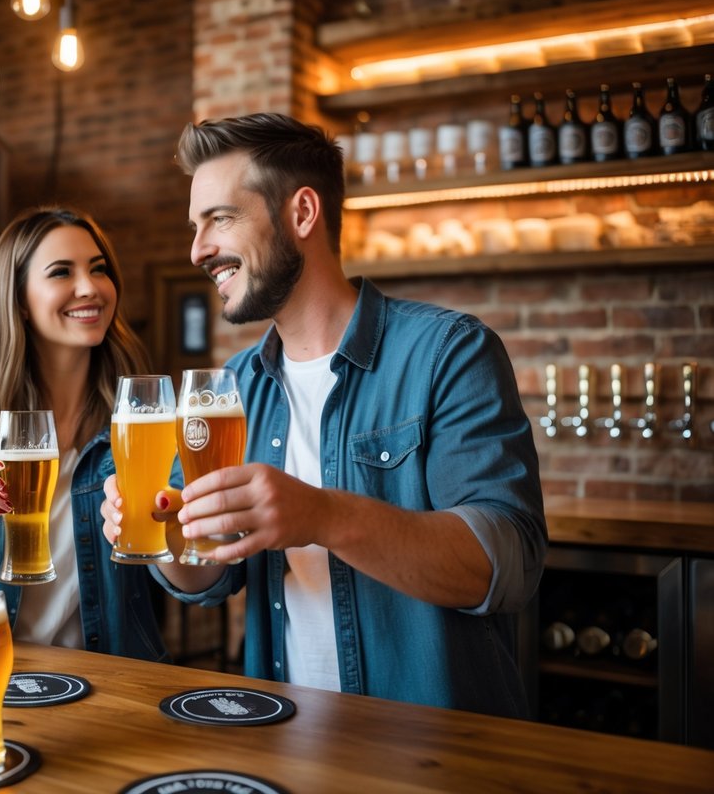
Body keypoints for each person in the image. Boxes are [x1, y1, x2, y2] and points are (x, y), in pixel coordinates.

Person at [101, 113, 546, 716]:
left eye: (220, 219)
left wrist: (321, 514)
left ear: (302, 214)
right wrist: (168, 532)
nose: (198, 249)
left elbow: (507, 566)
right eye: (195, 226)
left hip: (438, 756)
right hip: (284, 741)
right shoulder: (231, 386)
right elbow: (207, 579)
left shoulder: (449, 351)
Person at [0, 205, 167, 661]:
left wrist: (167, 521)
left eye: (99, 270)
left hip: (116, 679)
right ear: (19, 298)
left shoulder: (140, 422)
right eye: (61, 272)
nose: (90, 288)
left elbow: (190, 577)